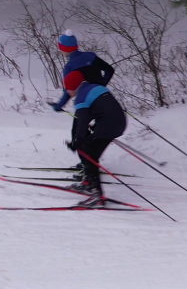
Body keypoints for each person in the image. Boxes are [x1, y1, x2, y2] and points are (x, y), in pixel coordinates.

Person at [67, 79, 128, 207]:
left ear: (73, 88)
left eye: (67, 88)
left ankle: (97, 195)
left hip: (108, 126)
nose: (67, 92)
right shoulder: (93, 87)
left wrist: (76, 142)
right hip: (119, 123)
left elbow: (82, 123)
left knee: (88, 153)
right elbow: (104, 108)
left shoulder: (81, 98)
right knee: (88, 150)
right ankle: (88, 183)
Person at [48, 33, 116, 113]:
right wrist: (100, 86)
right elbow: (110, 70)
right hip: (103, 96)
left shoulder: (69, 67)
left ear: (65, 49)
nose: (60, 50)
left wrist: (58, 106)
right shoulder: (91, 56)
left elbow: (68, 91)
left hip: (86, 102)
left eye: (60, 48)